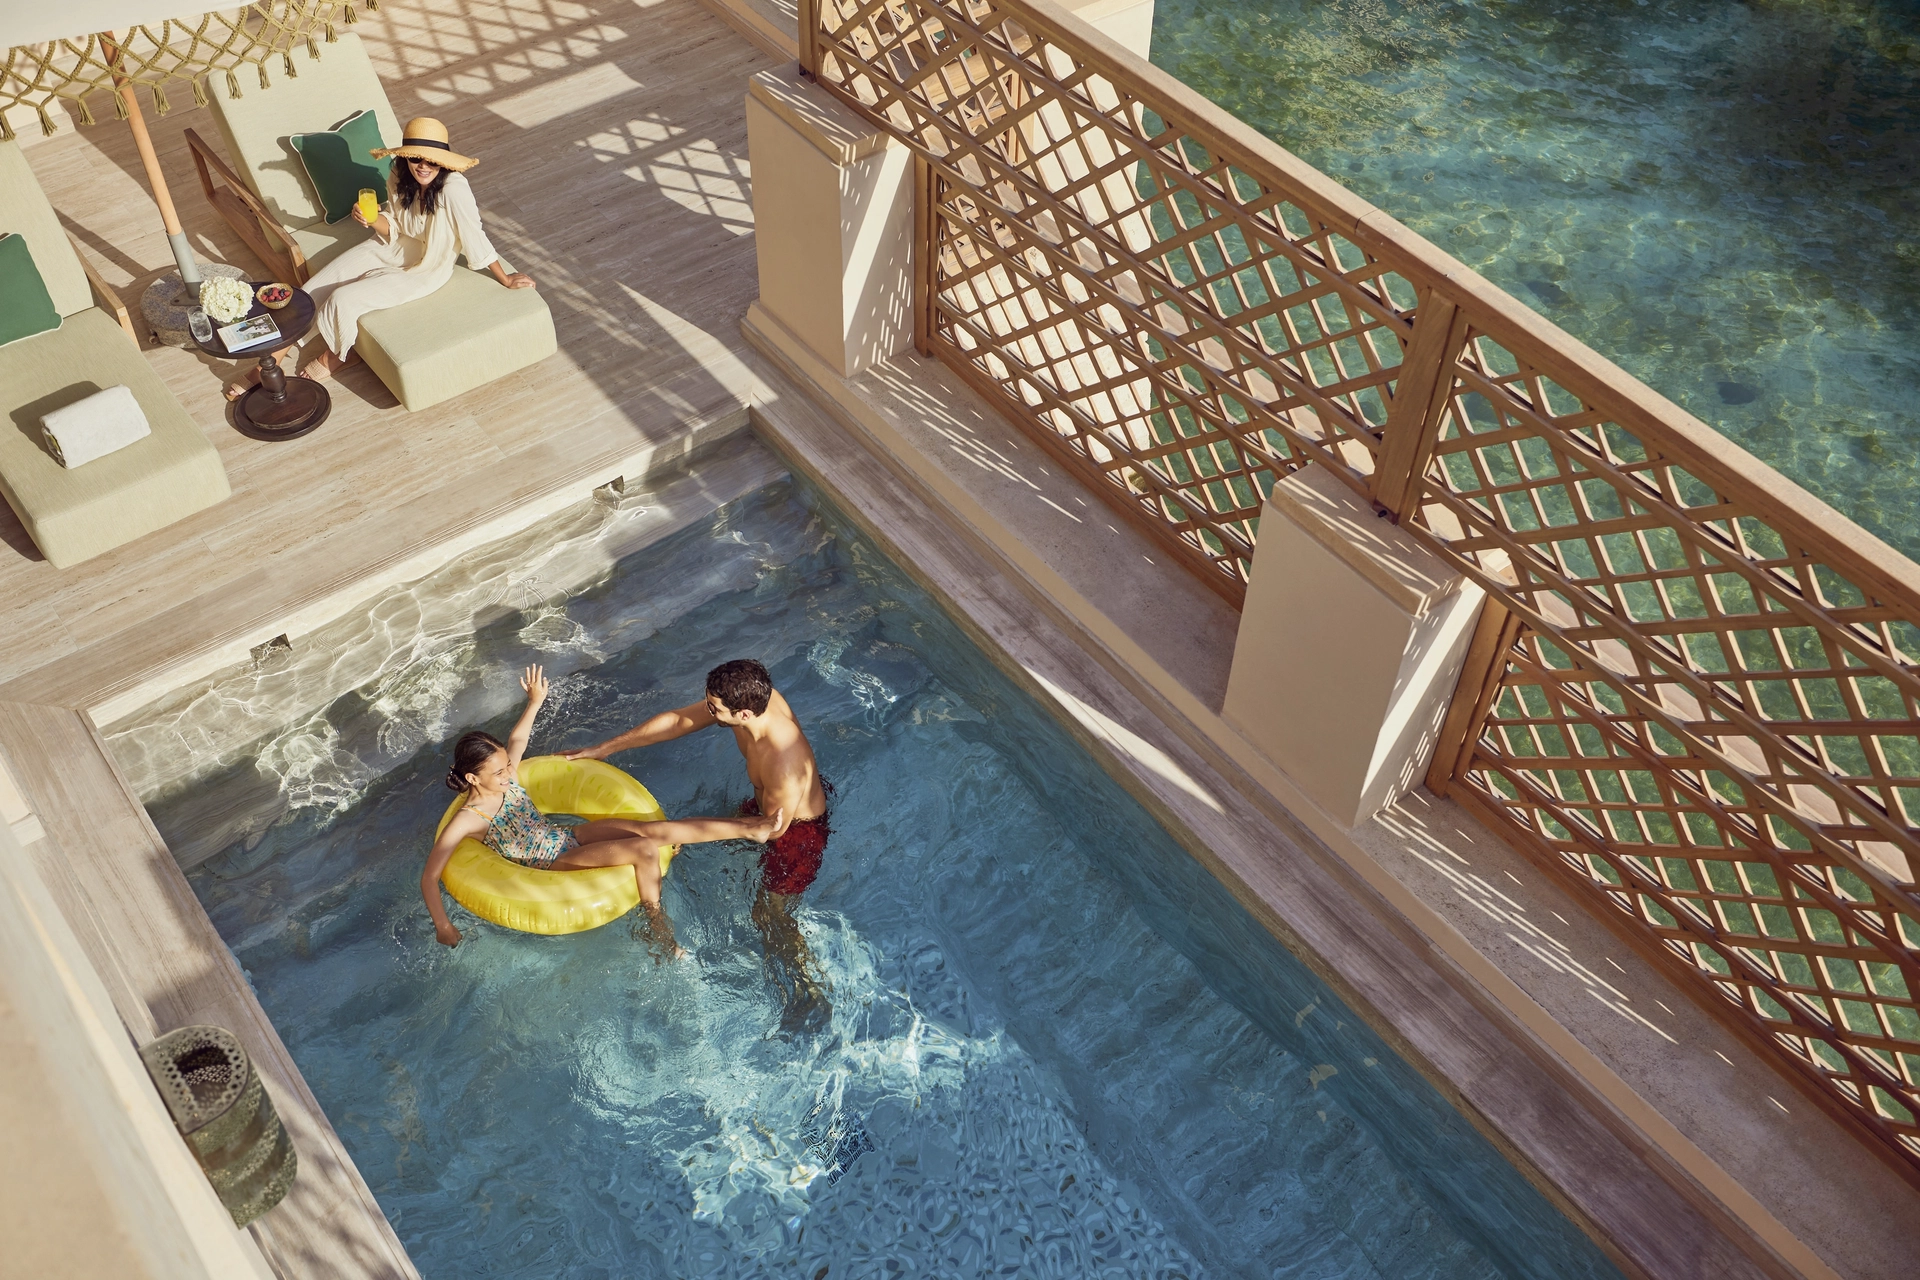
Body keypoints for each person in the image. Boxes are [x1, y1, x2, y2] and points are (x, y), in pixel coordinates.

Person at [423, 664, 782, 961]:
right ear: (473, 777)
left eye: (506, 767)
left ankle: (750, 829)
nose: (509, 773)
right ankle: (656, 928)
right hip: (551, 864)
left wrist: (535, 701)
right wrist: (443, 925)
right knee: (643, 849)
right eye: (500, 771)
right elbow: (430, 875)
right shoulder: (469, 818)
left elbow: (517, 741)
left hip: (565, 837)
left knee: (655, 832)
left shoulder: (506, 777)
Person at [564, 659, 834, 1031]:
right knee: (692, 840)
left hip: (793, 834)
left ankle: (809, 990)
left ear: (742, 713)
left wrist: (668, 833)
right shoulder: (752, 704)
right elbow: (678, 721)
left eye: (714, 708)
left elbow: (763, 830)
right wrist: (605, 748)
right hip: (765, 810)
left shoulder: (783, 765)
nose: (707, 711)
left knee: (768, 915)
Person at [226, 117, 536, 400]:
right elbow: (395, 226)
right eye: (416, 158)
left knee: (343, 299)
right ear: (406, 156)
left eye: (432, 160)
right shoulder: (397, 173)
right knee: (311, 292)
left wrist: (506, 278)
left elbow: (475, 234)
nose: (423, 166)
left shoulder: (454, 189)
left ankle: (339, 355)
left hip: (426, 267)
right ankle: (267, 365)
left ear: (443, 160)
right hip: (388, 246)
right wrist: (371, 221)